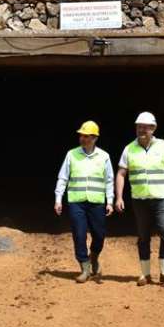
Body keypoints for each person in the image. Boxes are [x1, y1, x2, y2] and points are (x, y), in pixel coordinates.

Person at [115, 112, 164, 286]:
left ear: (153, 128)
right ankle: (145, 274)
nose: (141, 130)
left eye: (145, 127)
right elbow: (121, 173)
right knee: (143, 236)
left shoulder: (163, 146)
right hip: (140, 199)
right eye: (139, 127)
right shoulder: (129, 149)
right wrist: (119, 197)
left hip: (162, 198)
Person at [54, 120, 115, 283]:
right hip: (77, 201)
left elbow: (109, 180)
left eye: (86, 136)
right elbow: (63, 177)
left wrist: (110, 201)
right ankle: (85, 267)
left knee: (99, 235)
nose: (82, 139)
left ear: (94, 138)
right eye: (81, 135)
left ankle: (93, 256)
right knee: (79, 234)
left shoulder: (104, 156)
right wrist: (58, 199)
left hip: (97, 202)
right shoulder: (71, 154)